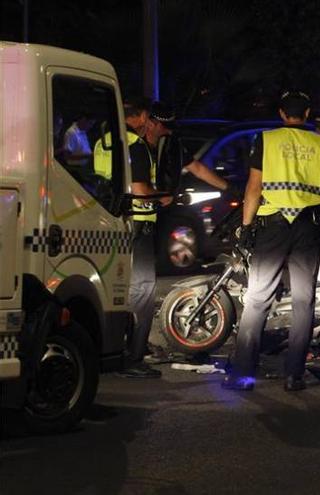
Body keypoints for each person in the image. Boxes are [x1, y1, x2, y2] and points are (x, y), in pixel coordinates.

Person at [222, 91, 320, 391]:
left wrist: (246, 228)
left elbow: (253, 187)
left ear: (281, 113)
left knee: (258, 298)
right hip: (308, 228)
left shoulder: (266, 139)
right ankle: (294, 375)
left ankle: (244, 375)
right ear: (308, 112)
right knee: (304, 301)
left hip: (273, 226)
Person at [118, 99, 167, 379]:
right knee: (143, 291)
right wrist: (162, 196)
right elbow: (139, 188)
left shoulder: (105, 142)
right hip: (139, 222)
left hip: (114, 222)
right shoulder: (135, 146)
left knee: (119, 291)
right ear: (143, 116)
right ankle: (134, 357)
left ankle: (118, 348)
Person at [144, 102, 237, 196]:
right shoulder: (137, 146)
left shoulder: (171, 145)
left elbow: (198, 169)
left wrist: (229, 188)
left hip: (162, 204)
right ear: (151, 125)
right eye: (165, 128)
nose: (170, 131)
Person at [93, 97, 152, 180]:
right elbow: (140, 190)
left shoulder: (101, 141)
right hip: (126, 192)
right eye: (149, 118)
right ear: (144, 116)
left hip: (103, 191)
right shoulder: (135, 143)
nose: (149, 124)